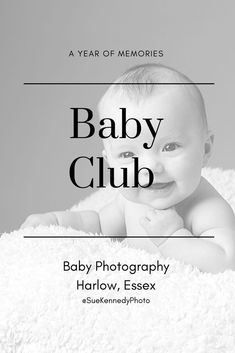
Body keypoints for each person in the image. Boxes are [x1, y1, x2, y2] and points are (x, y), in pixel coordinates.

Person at [21, 63, 235, 273]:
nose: (149, 167)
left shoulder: (206, 208)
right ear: (110, 163)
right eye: (128, 155)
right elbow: (100, 225)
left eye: (170, 147)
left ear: (205, 148)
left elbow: (226, 261)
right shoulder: (130, 201)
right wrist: (54, 221)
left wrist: (172, 237)